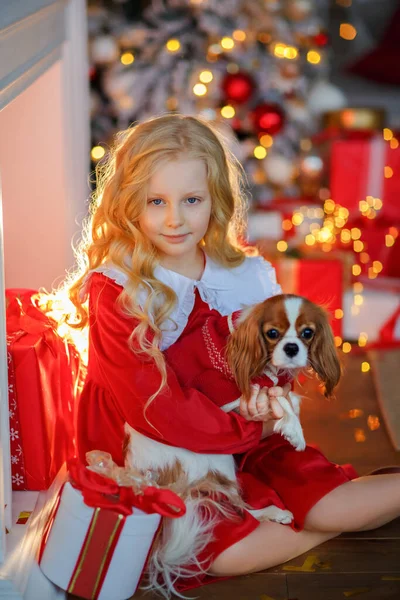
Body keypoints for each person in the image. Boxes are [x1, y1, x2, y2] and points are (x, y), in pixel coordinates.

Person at [65, 114, 400, 593]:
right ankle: (298, 520)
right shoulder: (119, 289)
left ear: (215, 200)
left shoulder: (242, 275)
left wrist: (266, 396)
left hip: (246, 437)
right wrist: (245, 426)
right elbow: (153, 406)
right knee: (222, 555)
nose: (174, 218)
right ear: (128, 203)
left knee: (335, 505)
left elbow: (272, 360)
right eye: (155, 201)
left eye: (191, 200)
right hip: (160, 455)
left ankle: (321, 511)